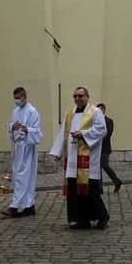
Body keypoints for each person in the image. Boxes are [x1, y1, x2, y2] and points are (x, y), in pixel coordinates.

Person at [49, 87, 109, 230]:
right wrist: (57, 152)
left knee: (90, 190)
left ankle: (103, 216)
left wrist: (83, 134)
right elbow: (63, 133)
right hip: (72, 158)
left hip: (88, 158)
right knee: (75, 190)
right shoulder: (69, 113)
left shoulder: (95, 112)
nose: (78, 98)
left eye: (81, 96)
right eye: (75, 96)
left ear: (87, 97)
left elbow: (102, 130)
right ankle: (82, 219)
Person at [1, 87, 43, 217]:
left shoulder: (32, 111)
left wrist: (27, 129)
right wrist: (12, 127)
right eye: (15, 99)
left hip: (27, 147)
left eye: (18, 98)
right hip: (18, 147)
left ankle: (14, 207)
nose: (17, 101)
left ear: (25, 97)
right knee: (21, 176)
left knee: (23, 177)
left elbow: (38, 131)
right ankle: (29, 206)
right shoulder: (15, 112)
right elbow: (11, 128)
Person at [97, 103, 123, 193]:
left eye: (100, 110)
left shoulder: (109, 121)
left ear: (104, 110)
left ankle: (117, 181)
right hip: (97, 148)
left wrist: (99, 141)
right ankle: (99, 188)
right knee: (97, 168)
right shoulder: (95, 121)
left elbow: (108, 134)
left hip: (104, 147)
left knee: (104, 165)